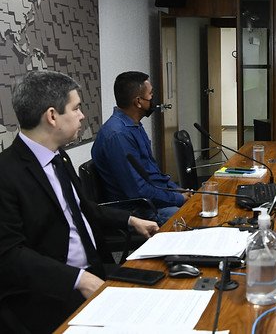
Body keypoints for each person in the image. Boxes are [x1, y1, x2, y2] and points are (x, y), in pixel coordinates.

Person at [0, 70, 159, 333]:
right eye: (76, 108)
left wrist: (131, 220)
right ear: (52, 116)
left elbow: (84, 208)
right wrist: (78, 279)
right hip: (48, 293)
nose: (82, 115)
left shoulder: (59, 157)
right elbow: (10, 254)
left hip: (93, 271)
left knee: (161, 290)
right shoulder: (7, 172)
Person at [91, 71, 190, 225]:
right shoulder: (118, 135)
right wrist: (178, 198)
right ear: (138, 102)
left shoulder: (134, 125)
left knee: (200, 205)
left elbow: (153, 174)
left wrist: (176, 190)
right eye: (150, 94)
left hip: (150, 200)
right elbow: (138, 190)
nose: (153, 98)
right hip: (138, 210)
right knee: (192, 219)